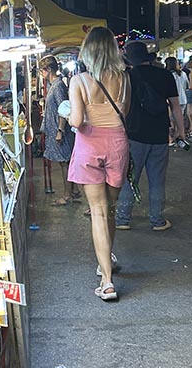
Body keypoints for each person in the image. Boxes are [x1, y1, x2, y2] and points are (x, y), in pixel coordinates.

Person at [67, 26, 130, 301]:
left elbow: (77, 121)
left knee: (98, 212)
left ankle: (107, 280)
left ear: (87, 50)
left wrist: (67, 114)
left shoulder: (78, 80)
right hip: (117, 144)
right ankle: (107, 259)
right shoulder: (124, 78)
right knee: (111, 210)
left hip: (89, 146)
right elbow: (123, 113)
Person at [115, 41, 178, 231]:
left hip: (133, 135)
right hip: (159, 134)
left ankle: (123, 219)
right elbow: (175, 106)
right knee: (157, 179)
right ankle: (157, 220)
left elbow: (121, 108)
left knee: (130, 178)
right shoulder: (165, 75)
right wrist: (180, 130)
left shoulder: (126, 77)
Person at [39, 56, 80, 205]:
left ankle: (67, 195)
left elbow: (64, 108)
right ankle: (74, 191)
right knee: (65, 161)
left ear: (48, 70)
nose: (40, 73)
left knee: (65, 162)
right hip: (55, 128)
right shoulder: (55, 85)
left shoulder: (57, 86)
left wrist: (60, 130)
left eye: (41, 70)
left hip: (60, 130)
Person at [164, 57, 189, 148]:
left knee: (171, 119)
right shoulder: (183, 74)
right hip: (183, 98)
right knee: (180, 119)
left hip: (171, 99)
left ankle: (173, 137)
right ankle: (179, 138)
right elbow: (187, 86)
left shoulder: (168, 75)